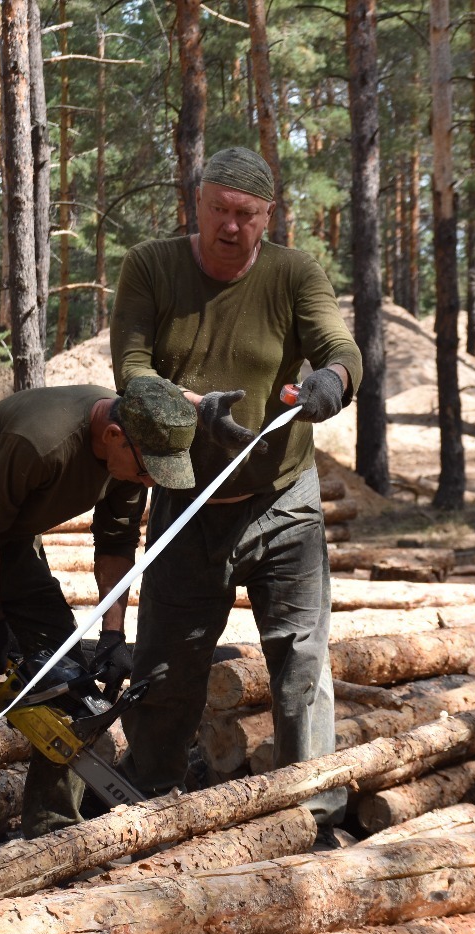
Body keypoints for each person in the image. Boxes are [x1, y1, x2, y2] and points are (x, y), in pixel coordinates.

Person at [109, 146, 363, 840]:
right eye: (219, 209)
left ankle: (313, 815)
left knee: (301, 664)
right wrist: (188, 407)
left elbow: (341, 348)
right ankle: (148, 804)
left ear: (267, 216)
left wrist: (330, 384)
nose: (231, 226)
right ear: (197, 204)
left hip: (283, 501)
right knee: (166, 666)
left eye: (246, 215)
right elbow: (130, 367)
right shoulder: (151, 267)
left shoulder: (294, 273)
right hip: (187, 504)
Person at [0, 378, 197, 862]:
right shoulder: (42, 442)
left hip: (6, 536)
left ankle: (54, 829)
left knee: (70, 673)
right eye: (147, 470)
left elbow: (116, 542)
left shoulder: (131, 453)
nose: (149, 482)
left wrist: (113, 635)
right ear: (114, 435)